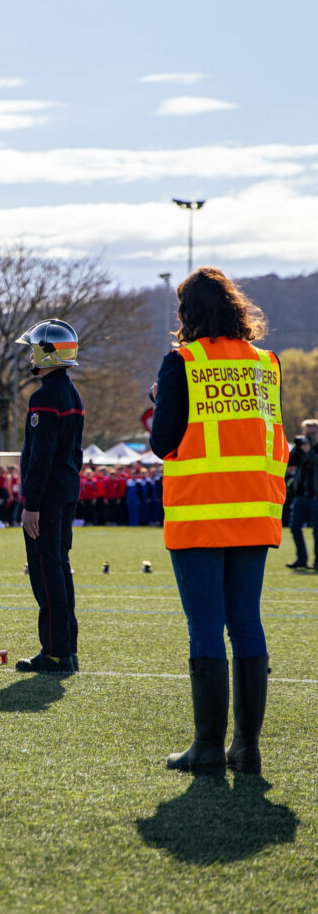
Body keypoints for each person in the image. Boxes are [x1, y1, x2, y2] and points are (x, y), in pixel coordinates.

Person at [150, 267, 288, 774]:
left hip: (201, 513)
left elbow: (164, 441)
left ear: (187, 315)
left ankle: (207, 748)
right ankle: (246, 748)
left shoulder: (181, 362)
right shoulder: (266, 363)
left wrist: (162, 397)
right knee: (246, 622)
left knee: (205, 626)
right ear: (236, 309)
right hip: (254, 511)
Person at [14, 318, 84, 675]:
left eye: (33, 349)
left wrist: (31, 504)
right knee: (59, 568)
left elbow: (40, 457)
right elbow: (76, 453)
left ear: (46, 353)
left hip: (48, 499)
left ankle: (55, 651)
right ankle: (66, 647)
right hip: (66, 493)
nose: (29, 356)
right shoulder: (71, 392)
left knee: (46, 573)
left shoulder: (44, 397)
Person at [285, 419, 318, 571]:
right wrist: (298, 449)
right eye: (307, 433)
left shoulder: (312, 449)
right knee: (294, 527)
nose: (310, 436)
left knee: (317, 531)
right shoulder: (300, 448)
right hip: (300, 496)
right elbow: (288, 461)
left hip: (316, 497)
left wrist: (309, 451)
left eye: (313, 433)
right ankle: (301, 558)